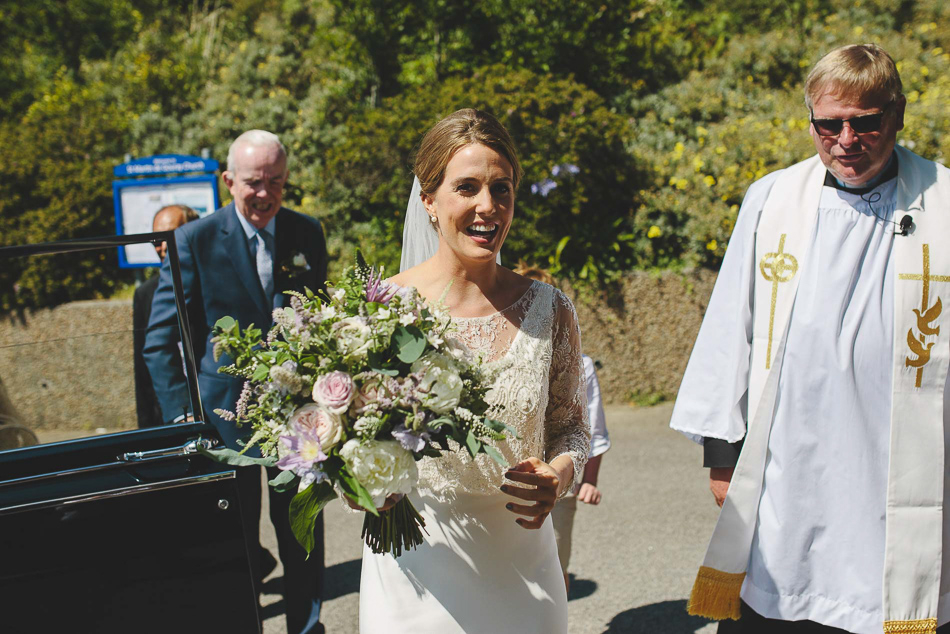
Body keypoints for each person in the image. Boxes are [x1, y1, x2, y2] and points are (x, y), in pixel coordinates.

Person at [670, 44, 950, 634]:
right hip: (789, 459)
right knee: (784, 596)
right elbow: (731, 327)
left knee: (891, 585)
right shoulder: (773, 199)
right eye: (829, 124)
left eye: (865, 122)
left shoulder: (943, 202)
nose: (846, 139)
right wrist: (722, 456)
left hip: (898, 455)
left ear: (896, 115)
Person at [358, 108, 591, 633]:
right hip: (414, 565)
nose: (488, 207)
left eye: (501, 189)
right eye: (467, 188)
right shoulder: (384, 309)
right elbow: (355, 443)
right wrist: (359, 485)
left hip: (523, 569)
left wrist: (559, 473)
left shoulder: (550, 310)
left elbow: (571, 426)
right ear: (429, 201)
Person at [143, 130, 328, 634]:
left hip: (300, 420)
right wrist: (185, 418)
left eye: (275, 182)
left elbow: (326, 324)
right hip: (224, 421)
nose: (264, 194)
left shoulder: (307, 233)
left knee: (303, 536)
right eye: (253, 183)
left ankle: (308, 629)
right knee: (237, 546)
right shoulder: (194, 239)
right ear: (228, 181)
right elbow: (159, 342)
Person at [515, 265, 611, 594]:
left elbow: (590, 427)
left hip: (560, 484)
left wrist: (591, 481)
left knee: (554, 566)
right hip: (509, 480)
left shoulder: (580, 365)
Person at [133, 204, 198, 429]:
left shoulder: (214, 279)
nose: (162, 247)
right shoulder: (146, 293)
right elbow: (142, 369)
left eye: (168, 237)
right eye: (155, 240)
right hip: (173, 416)